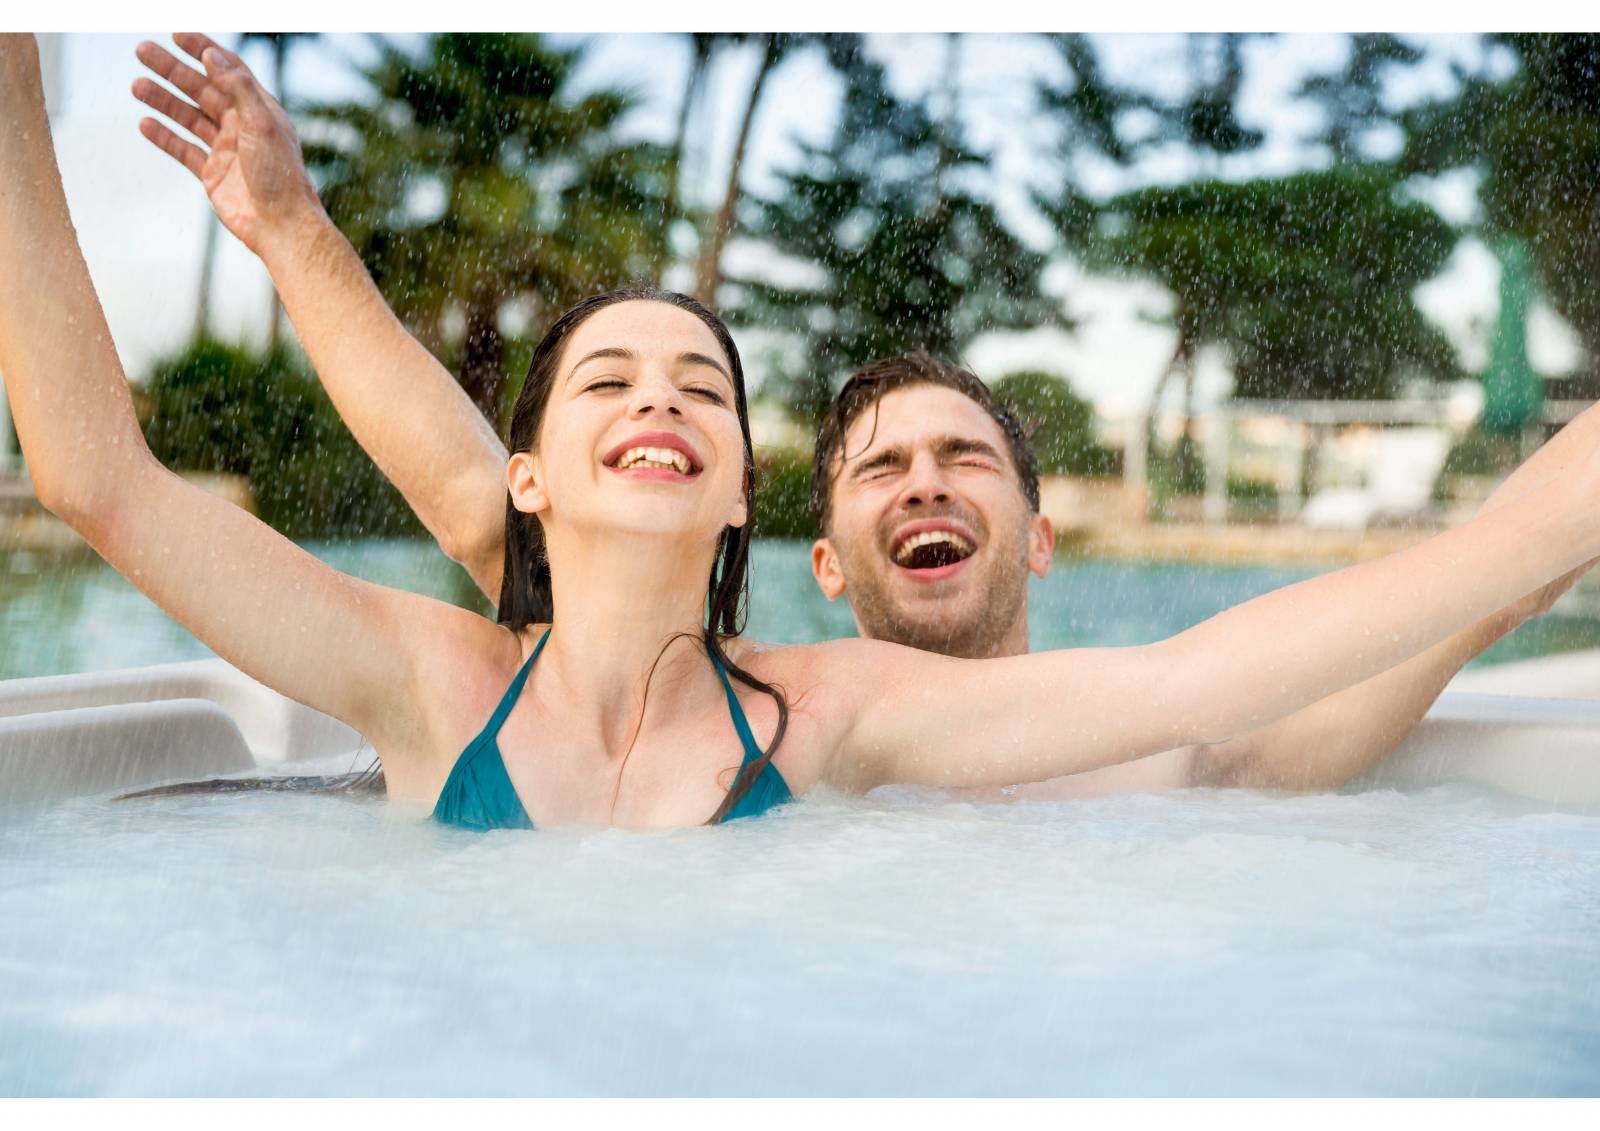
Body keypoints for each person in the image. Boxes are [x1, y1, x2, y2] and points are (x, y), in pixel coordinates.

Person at [8, 35, 1594, 834]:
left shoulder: (848, 717)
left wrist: (1504, 553)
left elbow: (1222, 673)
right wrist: (276, 227)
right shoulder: (445, 674)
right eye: (612, 383)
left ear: (742, 501)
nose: (663, 403)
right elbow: (124, 478)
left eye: (704, 385)